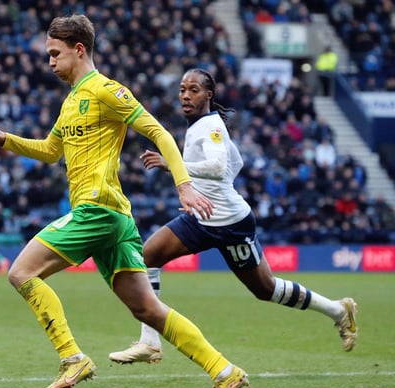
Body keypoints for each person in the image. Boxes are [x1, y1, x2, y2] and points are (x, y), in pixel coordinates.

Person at [0, 15, 248, 388]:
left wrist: (183, 183)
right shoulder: (70, 101)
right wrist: (4, 139)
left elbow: (160, 133)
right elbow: (51, 152)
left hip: (97, 210)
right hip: (113, 218)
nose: (49, 62)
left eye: (54, 54)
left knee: (21, 273)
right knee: (147, 309)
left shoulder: (106, 91)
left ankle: (72, 357)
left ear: (79, 49)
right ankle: (225, 373)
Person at [108, 69, 358, 367]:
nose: (186, 95)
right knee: (146, 257)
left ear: (208, 95)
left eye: (194, 90)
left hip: (231, 224)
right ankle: (150, 342)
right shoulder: (200, 125)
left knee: (265, 289)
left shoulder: (210, 126)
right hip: (201, 217)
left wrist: (171, 164)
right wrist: (209, 191)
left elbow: (218, 166)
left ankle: (338, 311)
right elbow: (234, 162)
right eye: (182, 89)